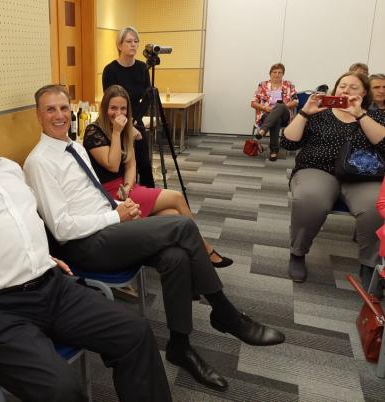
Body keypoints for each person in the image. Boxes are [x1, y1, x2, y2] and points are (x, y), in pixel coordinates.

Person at [0, 101, 173, 402]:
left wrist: (40, 256)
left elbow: (21, 224)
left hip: (49, 286)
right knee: (61, 389)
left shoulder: (9, 170)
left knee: (135, 332)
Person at [24, 84, 286, 393]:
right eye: (50, 109)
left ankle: (180, 346)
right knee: (182, 227)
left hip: (109, 227)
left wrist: (120, 206)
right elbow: (62, 229)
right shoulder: (39, 162)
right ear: (38, 115)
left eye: (63, 108)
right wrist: (116, 217)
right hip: (86, 245)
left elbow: (93, 196)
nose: (59, 115)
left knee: (175, 257)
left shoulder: (74, 146)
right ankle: (226, 314)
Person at [83, 84, 233, 268]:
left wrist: (128, 187)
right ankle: (204, 250)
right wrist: (116, 132)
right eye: (113, 108)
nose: (118, 113)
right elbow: (113, 165)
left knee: (174, 215)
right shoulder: (94, 131)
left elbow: (131, 164)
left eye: (123, 108)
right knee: (177, 197)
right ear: (105, 108)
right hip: (108, 193)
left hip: (126, 189)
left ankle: (189, 259)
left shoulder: (125, 129)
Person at [280, 72, 385, 286]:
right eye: (342, 85)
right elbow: (288, 143)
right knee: (310, 199)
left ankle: (369, 264)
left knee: (376, 206)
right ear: (335, 89)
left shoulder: (375, 116)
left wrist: (360, 115)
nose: (346, 90)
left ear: (364, 93)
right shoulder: (319, 113)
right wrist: (304, 113)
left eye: (354, 87)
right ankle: (298, 253)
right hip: (318, 169)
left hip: (361, 175)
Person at [102, 26, 155, 188]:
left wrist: (134, 121)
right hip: (116, 123)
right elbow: (110, 103)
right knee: (123, 165)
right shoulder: (110, 70)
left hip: (136, 120)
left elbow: (147, 97)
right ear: (119, 45)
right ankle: (125, 195)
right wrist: (127, 125)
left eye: (136, 41)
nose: (133, 44)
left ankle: (150, 195)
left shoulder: (142, 68)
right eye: (129, 41)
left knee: (144, 164)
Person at [250, 63, 298, 161]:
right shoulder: (262, 85)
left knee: (280, 105)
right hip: (266, 114)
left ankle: (263, 130)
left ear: (283, 74)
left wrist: (283, 107)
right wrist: (265, 108)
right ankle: (274, 151)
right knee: (276, 119)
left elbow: (296, 101)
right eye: (274, 72)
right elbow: (253, 103)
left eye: (280, 72)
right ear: (270, 73)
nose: (277, 74)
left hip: (285, 114)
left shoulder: (289, 85)